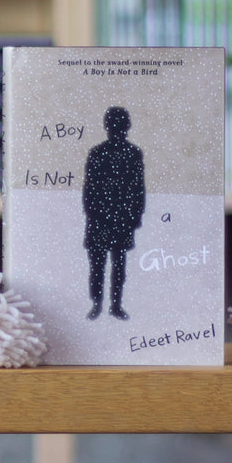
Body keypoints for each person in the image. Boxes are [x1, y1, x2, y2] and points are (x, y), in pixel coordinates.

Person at [82, 105, 145, 320]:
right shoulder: (98, 153)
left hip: (119, 218)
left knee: (115, 265)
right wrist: (93, 213)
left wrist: (135, 216)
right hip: (103, 218)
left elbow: (137, 189)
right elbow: (90, 189)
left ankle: (113, 305)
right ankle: (99, 304)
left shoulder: (131, 153)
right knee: (100, 265)